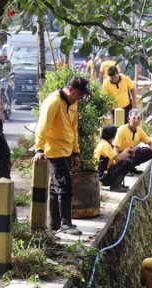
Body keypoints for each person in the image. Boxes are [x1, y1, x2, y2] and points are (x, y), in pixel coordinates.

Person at [33, 77, 92, 235]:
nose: (81, 97)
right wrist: (39, 149)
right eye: (80, 93)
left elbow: (74, 128)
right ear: (71, 88)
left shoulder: (73, 103)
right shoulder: (53, 102)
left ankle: (55, 224)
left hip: (66, 150)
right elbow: (42, 125)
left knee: (55, 188)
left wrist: (76, 152)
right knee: (65, 187)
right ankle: (66, 224)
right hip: (54, 151)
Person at [113, 109, 152, 174]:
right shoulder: (122, 130)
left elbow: (150, 143)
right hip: (122, 155)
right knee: (128, 158)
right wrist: (116, 165)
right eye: (134, 118)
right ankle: (126, 169)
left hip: (132, 154)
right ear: (129, 119)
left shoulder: (139, 130)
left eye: (138, 118)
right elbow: (115, 149)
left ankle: (131, 167)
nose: (136, 120)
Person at [94, 125, 134, 192]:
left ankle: (117, 184)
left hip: (101, 175)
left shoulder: (104, 143)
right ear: (112, 134)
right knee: (127, 162)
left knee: (126, 161)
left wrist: (128, 153)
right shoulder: (105, 146)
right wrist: (127, 150)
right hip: (102, 178)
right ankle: (115, 186)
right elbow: (118, 158)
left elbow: (116, 159)